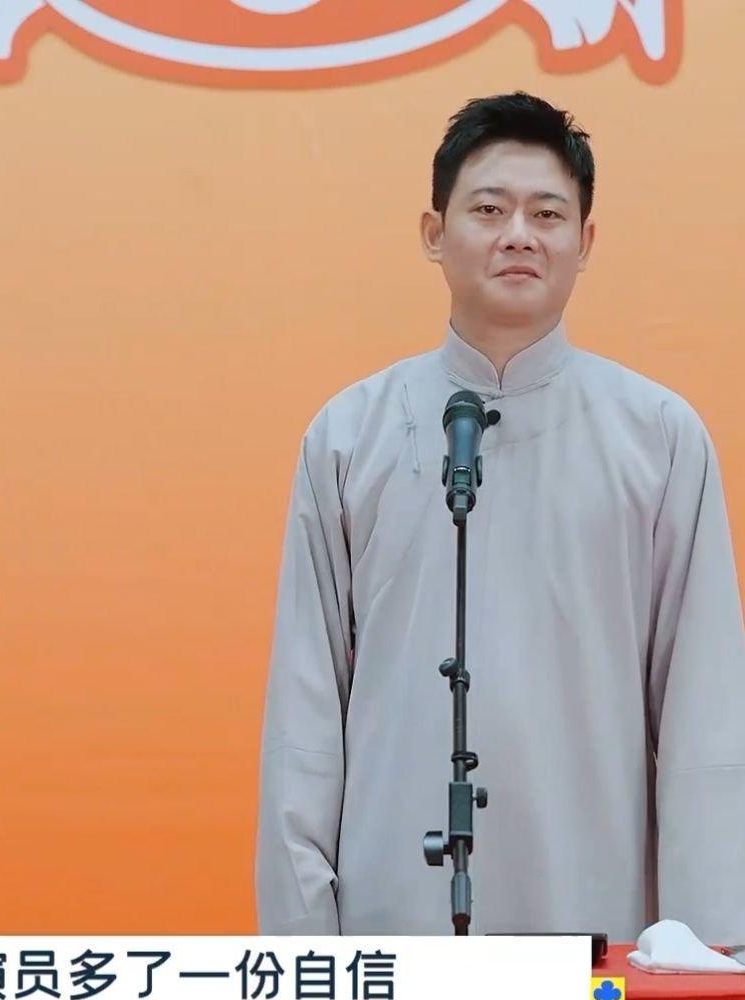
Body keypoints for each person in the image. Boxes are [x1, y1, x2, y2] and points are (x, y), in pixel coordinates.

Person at [256, 91, 745, 943]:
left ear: (584, 243)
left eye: (547, 214)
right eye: (488, 210)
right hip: (393, 915)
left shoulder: (658, 437)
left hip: (596, 911)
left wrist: (708, 944)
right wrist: (305, 941)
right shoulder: (350, 435)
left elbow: (703, 707)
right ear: (433, 233)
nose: (519, 234)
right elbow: (306, 707)